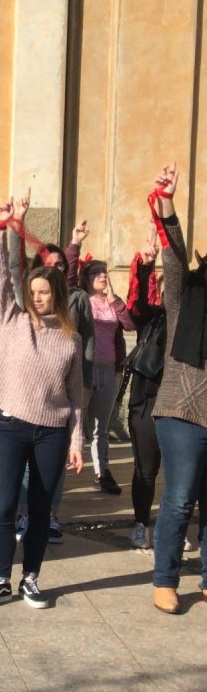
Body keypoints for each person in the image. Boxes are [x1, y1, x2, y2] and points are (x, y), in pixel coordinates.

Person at [0, 192, 84, 609]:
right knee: (3, 505)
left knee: (39, 510)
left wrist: (76, 443)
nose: (37, 297)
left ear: (56, 293)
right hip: (10, 426)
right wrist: (2, 229)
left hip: (52, 433)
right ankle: (0, 578)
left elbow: (76, 397)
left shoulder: (70, 339)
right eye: (33, 291)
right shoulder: (14, 319)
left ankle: (31, 578)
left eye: (44, 291)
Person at [147, 163, 207, 614]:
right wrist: (167, 204)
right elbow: (173, 254)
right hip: (180, 414)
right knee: (181, 497)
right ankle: (165, 580)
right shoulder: (183, 301)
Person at [123, 225, 165, 549]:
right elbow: (136, 301)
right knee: (146, 470)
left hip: (184, 403)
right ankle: (141, 522)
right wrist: (146, 265)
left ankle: (172, 525)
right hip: (148, 400)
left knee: (184, 475)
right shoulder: (152, 317)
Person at [78, 257, 134, 494]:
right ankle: (61, 467)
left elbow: (130, 325)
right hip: (84, 372)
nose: (103, 275)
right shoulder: (82, 301)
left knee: (101, 427)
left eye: (105, 272)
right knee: (76, 423)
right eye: (97, 272)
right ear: (86, 278)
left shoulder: (114, 302)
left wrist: (113, 299)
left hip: (110, 370)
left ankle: (102, 472)